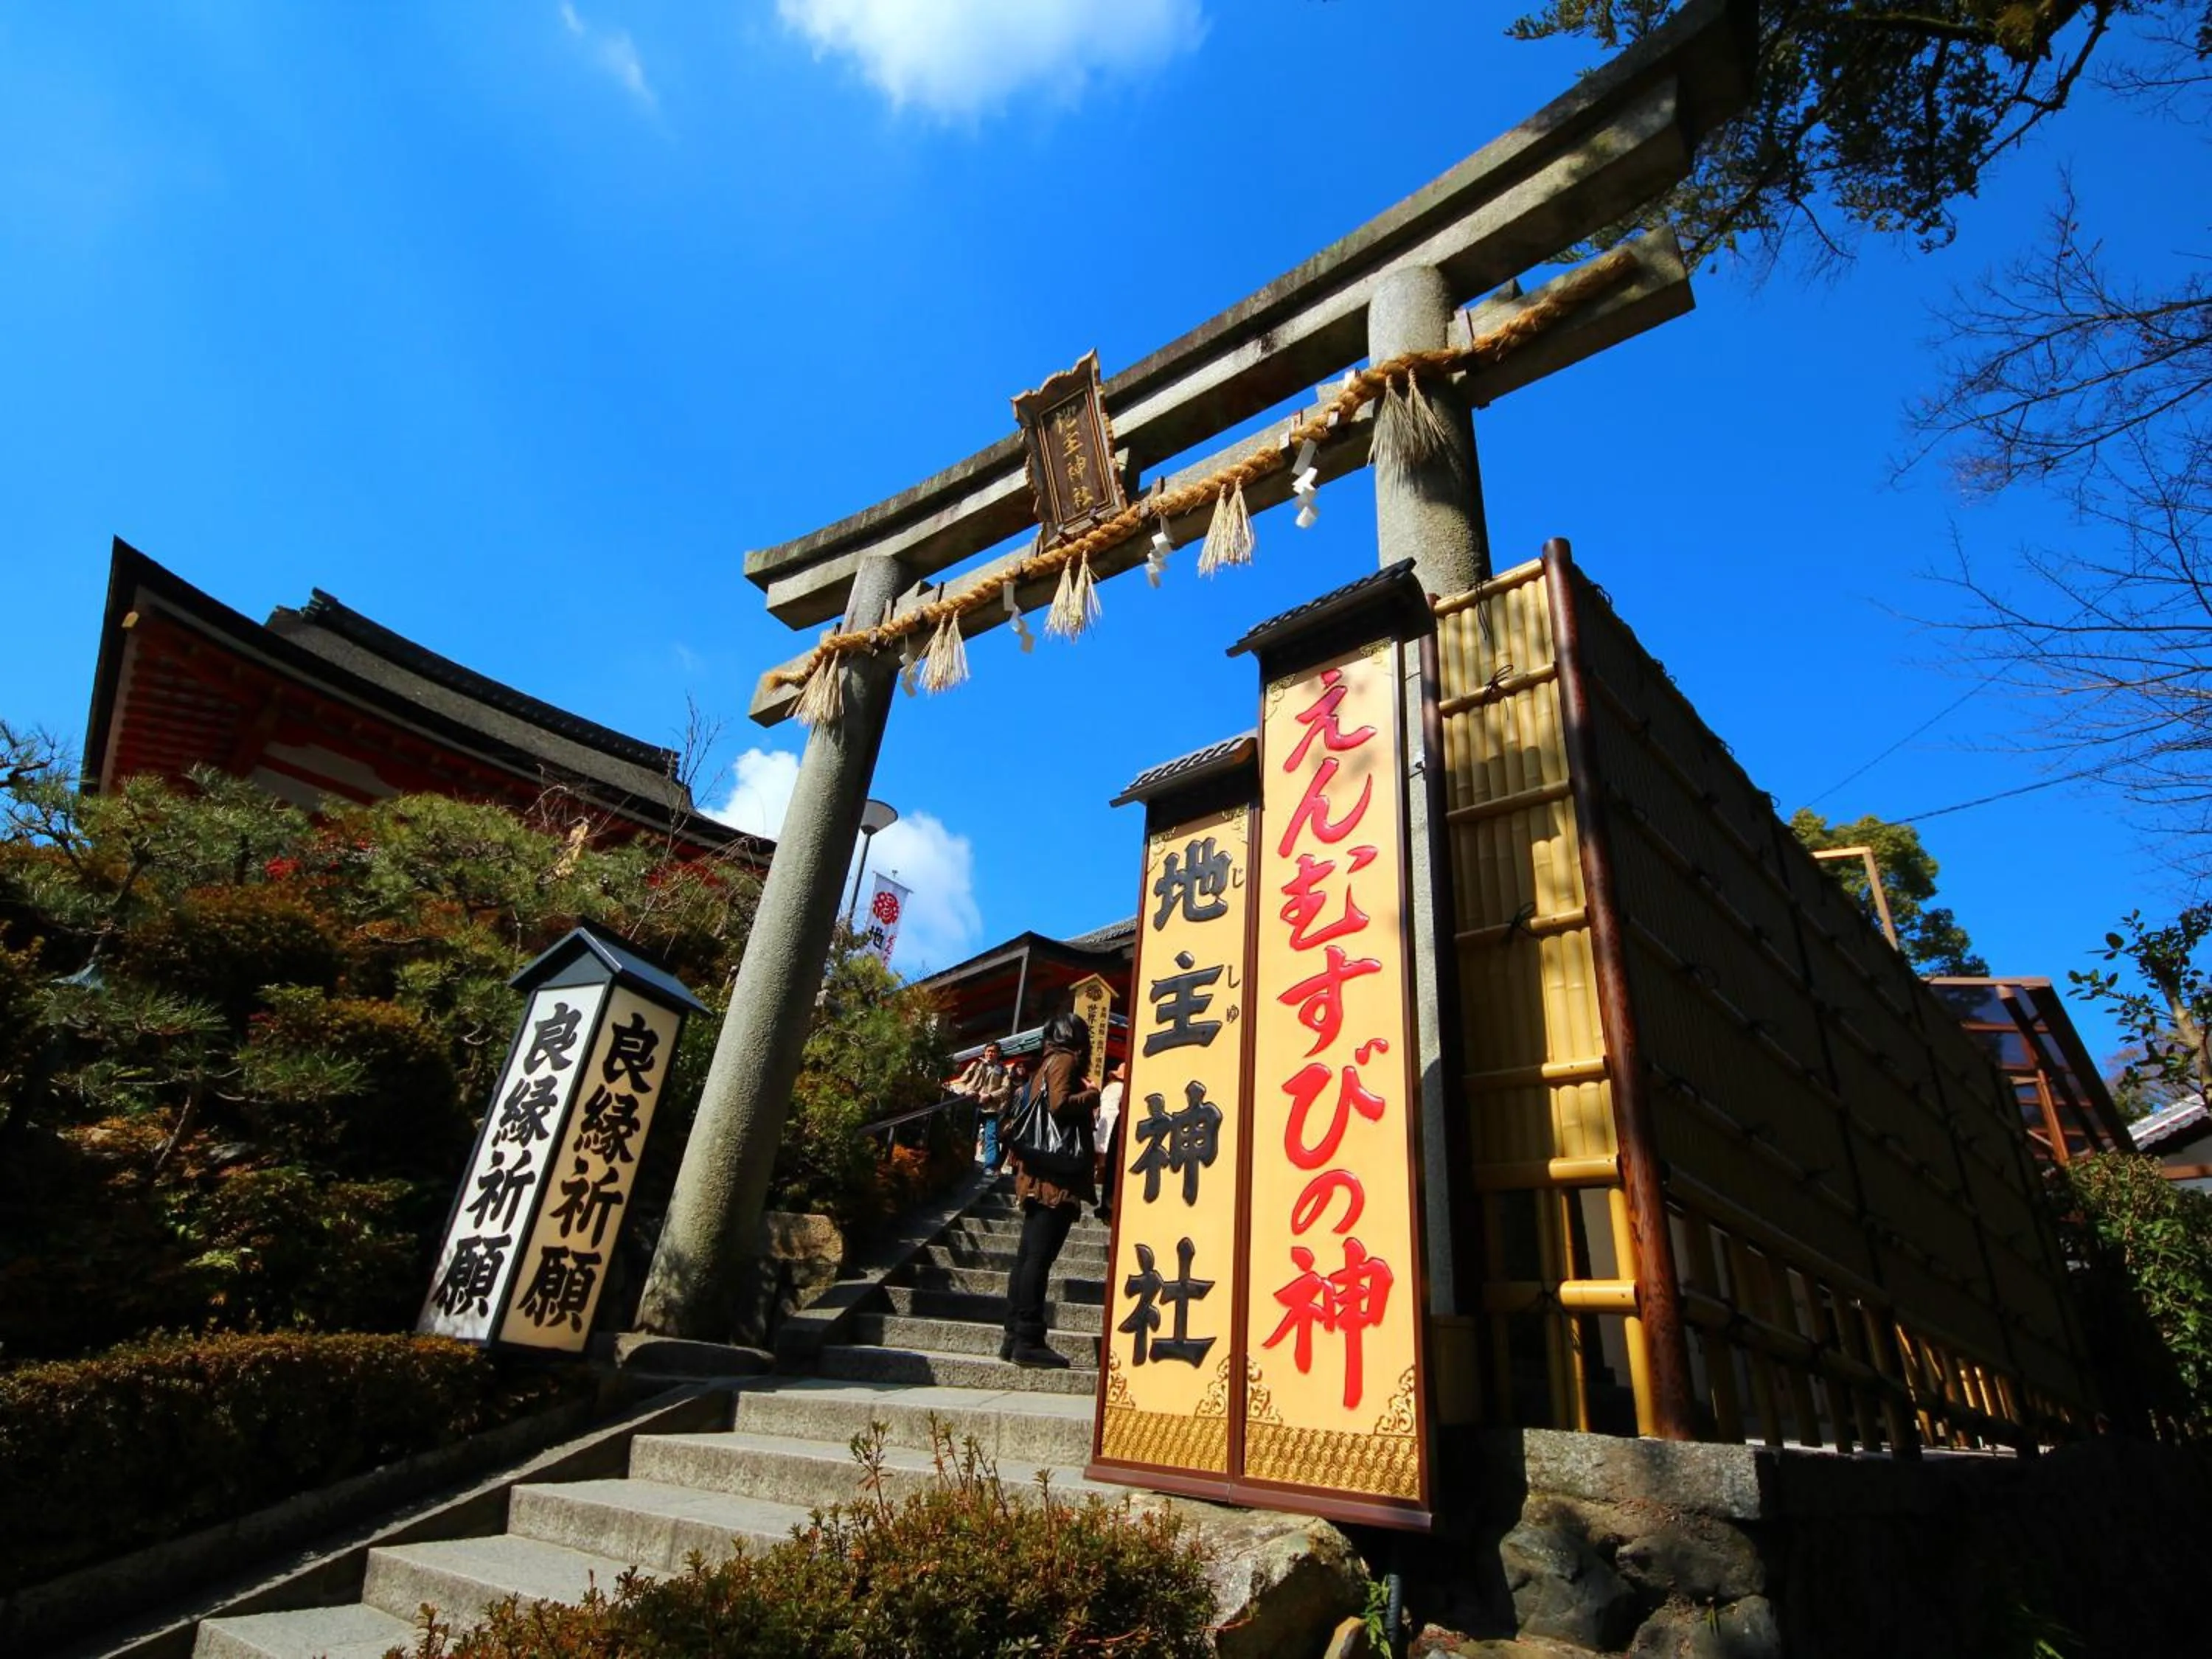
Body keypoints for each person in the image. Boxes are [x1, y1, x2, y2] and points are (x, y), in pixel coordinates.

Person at [1001, 1012, 1097, 1368]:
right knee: (1038, 1259)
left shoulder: (1044, 1063)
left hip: (1038, 1174)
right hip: (1053, 1180)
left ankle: (1014, 1335)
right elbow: (1059, 1105)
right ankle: (1028, 1337)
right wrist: (1091, 1096)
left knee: (1028, 1258)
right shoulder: (1065, 1061)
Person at [945, 1042, 1008, 1168]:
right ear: (985, 1052)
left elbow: (1006, 1089)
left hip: (991, 1107)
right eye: (988, 1051)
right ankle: (964, 1162)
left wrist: (990, 1096)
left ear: (998, 1054)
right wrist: (967, 1091)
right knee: (967, 1134)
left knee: (991, 1137)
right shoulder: (976, 1065)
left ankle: (990, 1166)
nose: (990, 1053)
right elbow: (962, 1081)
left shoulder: (1002, 1070)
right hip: (971, 1105)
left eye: (993, 1051)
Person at [1094, 1060, 1127, 1222]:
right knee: (1113, 1164)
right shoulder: (1123, 1089)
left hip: (1102, 1124)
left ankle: (1102, 1194)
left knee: (1104, 1163)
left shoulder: (1107, 1088)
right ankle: (1108, 1203)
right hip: (1115, 1126)